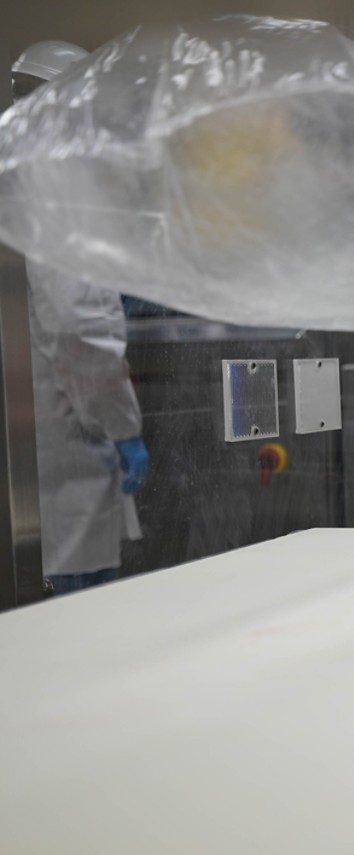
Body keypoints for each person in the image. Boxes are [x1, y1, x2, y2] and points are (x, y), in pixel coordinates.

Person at [12, 42, 150, 595]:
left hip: (43, 456)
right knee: (72, 626)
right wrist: (124, 429)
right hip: (66, 456)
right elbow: (77, 327)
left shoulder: (21, 176)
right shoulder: (57, 188)